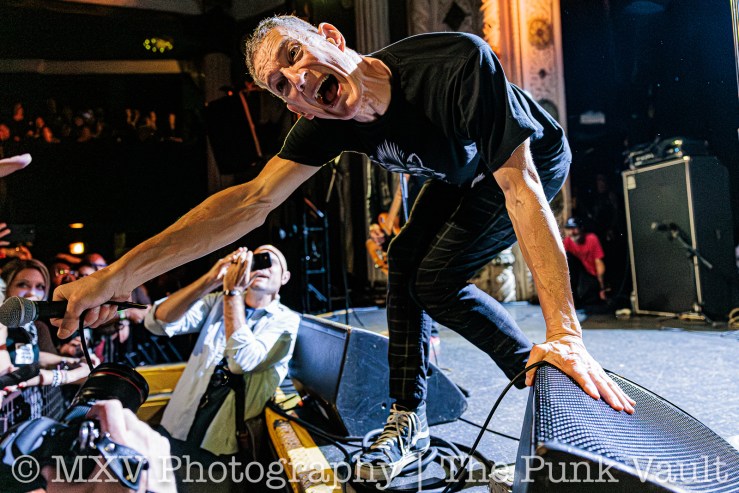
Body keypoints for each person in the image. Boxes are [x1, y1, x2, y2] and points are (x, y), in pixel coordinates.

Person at [53, 15, 634, 481]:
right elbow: (249, 202)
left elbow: (521, 187)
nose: (299, 80)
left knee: (434, 281)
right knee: (405, 262)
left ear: (331, 38)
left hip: (524, 161)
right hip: (456, 173)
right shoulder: (326, 120)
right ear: (296, 109)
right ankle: (408, 418)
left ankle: (549, 374)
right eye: (283, 86)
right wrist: (114, 278)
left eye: (295, 55)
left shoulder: (453, 63)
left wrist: (565, 331)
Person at [143, 244, 299, 457]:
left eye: (270, 261)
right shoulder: (218, 302)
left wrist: (232, 292)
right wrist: (212, 278)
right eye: (256, 261)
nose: (262, 266)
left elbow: (241, 362)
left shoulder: (286, 320)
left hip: (224, 441)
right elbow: (157, 322)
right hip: (179, 423)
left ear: (285, 277)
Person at [563, 217, 608, 308]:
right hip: (579, 278)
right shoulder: (567, 241)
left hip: (591, 278)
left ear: (581, 229)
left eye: (574, 228)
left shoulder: (591, 239)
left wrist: (602, 288)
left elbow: (599, 263)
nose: (572, 232)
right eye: (569, 229)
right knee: (566, 257)